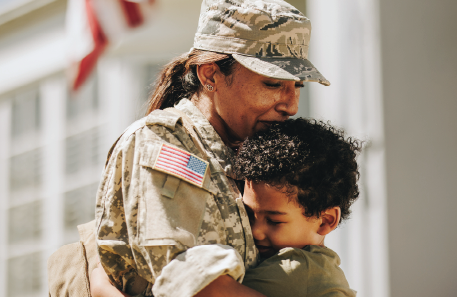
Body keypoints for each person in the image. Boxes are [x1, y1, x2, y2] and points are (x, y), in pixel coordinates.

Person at [92, 0, 330, 297]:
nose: (291, 105)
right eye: (272, 83)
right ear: (210, 75)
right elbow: (205, 289)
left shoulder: (254, 153)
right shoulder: (165, 145)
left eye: (296, 86)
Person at [93, 118, 361, 297]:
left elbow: (206, 292)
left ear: (326, 221)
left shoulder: (294, 270)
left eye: (274, 220)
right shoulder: (167, 140)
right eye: (250, 215)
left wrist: (101, 285)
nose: (256, 231)